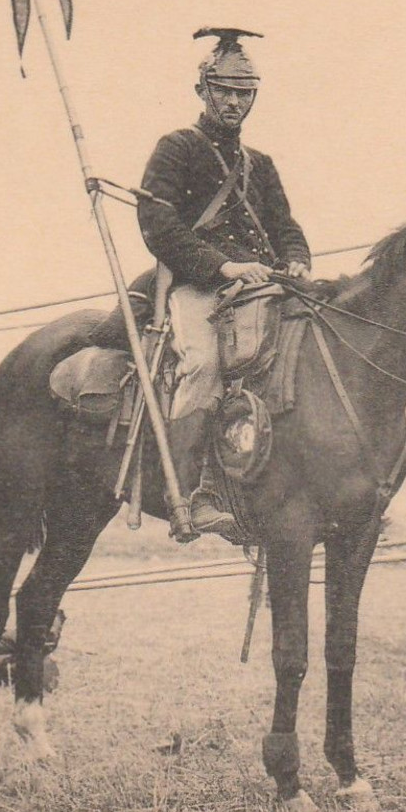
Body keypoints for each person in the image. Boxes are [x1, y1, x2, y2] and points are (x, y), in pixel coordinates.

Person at [136, 28, 311, 537]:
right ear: (202, 91)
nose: (234, 102)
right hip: (198, 287)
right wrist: (222, 268)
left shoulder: (261, 164)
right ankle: (191, 494)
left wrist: (297, 260)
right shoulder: (176, 149)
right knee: (206, 363)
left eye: (244, 92)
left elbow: (285, 227)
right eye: (224, 90)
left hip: (265, 287)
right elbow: (158, 225)